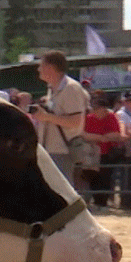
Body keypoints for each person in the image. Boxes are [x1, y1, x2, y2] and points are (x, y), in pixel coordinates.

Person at [31, 50, 89, 184]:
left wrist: (46, 117)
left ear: (50, 68)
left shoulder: (71, 88)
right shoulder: (52, 88)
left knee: (62, 195)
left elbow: (75, 122)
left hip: (62, 152)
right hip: (49, 150)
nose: (38, 69)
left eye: (41, 65)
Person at [80, 96, 124, 208]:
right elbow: (84, 135)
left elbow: (117, 134)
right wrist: (101, 137)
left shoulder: (111, 117)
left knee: (106, 178)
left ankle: (103, 202)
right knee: (92, 177)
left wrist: (99, 137)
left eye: (99, 108)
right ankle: (96, 201)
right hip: (92, 153)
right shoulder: (88, 118)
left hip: (107, 152)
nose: (97, 111)